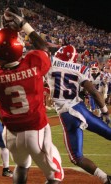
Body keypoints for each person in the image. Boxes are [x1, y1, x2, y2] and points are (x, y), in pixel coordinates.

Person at [0, 7, 64, 183]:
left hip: (10, 134)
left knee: (22, 166)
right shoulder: (33, 63)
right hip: (35, 132)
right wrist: (23, 25)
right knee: (56, 177)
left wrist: (4, 34)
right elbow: (44, 48)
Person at [47, 45, 111, 184]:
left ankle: (106, 179)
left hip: (67, 115)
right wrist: (105, 112)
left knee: (77, 157)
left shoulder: (50, 63)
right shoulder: (79, 68)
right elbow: (94, 92)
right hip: (81, 108)